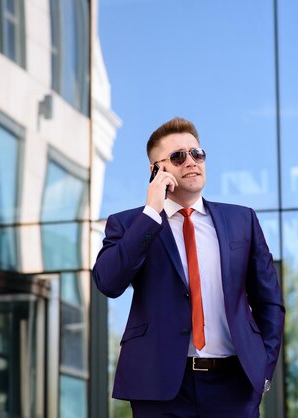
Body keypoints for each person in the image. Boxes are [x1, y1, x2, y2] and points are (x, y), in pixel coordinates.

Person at [92, 117, 285, 417]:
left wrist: (264, 367)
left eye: (197, 153)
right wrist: (151, 212)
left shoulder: (241, 221)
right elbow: (108, 282)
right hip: (159, 387)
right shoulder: (130, 224)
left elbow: (269, 301)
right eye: (178, 156)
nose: (191, 162)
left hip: (234, 384)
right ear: (156, 169)